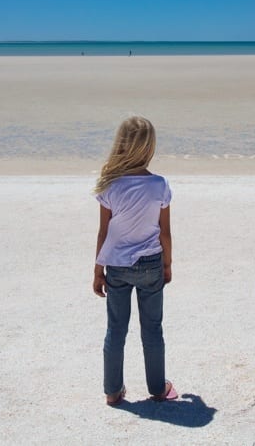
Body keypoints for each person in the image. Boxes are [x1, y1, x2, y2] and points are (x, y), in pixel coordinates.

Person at [92, 116, 177, 406]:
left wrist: (97, 270)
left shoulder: (110, 186)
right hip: (151, 263)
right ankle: (157, 388)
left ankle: (113, 391)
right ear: (149, 148)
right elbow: (164, 232)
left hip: (116, 266)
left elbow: (104, 232)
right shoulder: (159, 185)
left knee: (116, 328)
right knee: (152, 328)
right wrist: (167, 264)